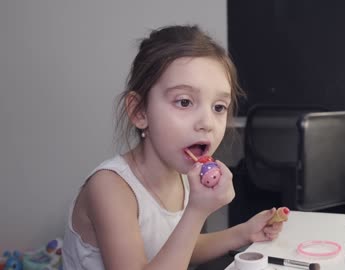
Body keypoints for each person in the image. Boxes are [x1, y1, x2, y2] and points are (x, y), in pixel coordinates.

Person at [62, 25, 285, 270]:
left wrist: (243, 233)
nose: (207, 123)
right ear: (139, 112)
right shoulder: (110, 188)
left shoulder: (183, 176)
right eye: (185, 102)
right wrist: (196, 212)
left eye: (219, 107)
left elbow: (178, 248)